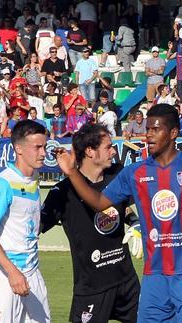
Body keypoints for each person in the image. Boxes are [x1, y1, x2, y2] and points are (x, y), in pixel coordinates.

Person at [54, 104, 182, 321]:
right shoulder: (135, 173)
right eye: (147, 129)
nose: (148, 135)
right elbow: (99, 202)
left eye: (155, 129)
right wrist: (72, 173)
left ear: (174, 133)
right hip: (154, 274)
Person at [41, 124, 140, 322]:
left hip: (127, 281)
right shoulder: (62, 191)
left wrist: (135, 223)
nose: (114, 152)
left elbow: (125, 208)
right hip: (92, 287)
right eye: (108, 147)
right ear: (90, 151)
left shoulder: (118, 174)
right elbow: (37, 226)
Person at [0, 120, 51, 322]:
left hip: (32, 271)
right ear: (18, 149)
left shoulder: (34, 179)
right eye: (37, 147)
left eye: (44, 146)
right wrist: (12, 273)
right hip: (5, 275)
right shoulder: (3, 184)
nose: (43, 152)